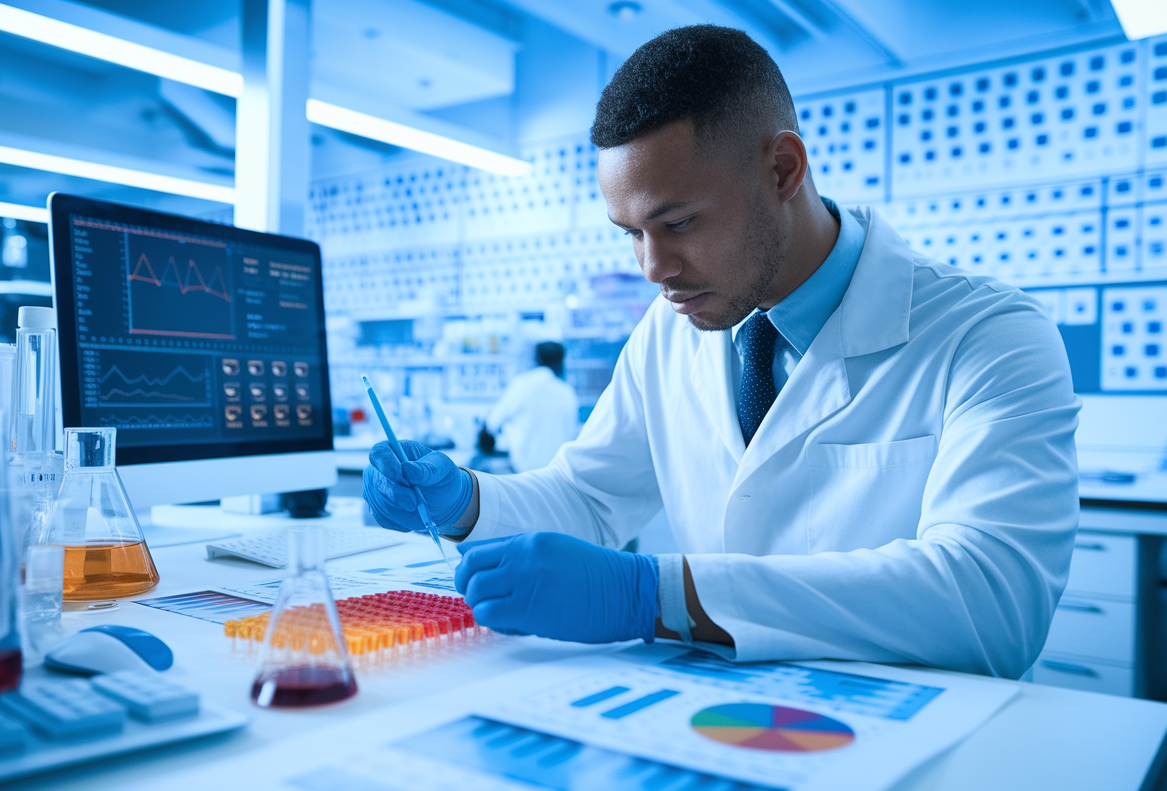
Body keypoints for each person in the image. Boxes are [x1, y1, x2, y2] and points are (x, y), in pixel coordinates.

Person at [363, 25, 1079, 678]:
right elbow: (589, 497)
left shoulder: (987, 334)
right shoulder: (670, 329)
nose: (653, 267)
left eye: (677, 223)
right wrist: (466, 501)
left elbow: (993, 603)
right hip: (715, 723)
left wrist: (654, 596)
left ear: (783, 170)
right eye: (631, 232)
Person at [483, 342, 579, 473]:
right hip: (558, 472)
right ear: (562, 362)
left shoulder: (523, 384)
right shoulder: (567, 392)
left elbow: (492, 423)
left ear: (536, 359)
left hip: (522, 471)